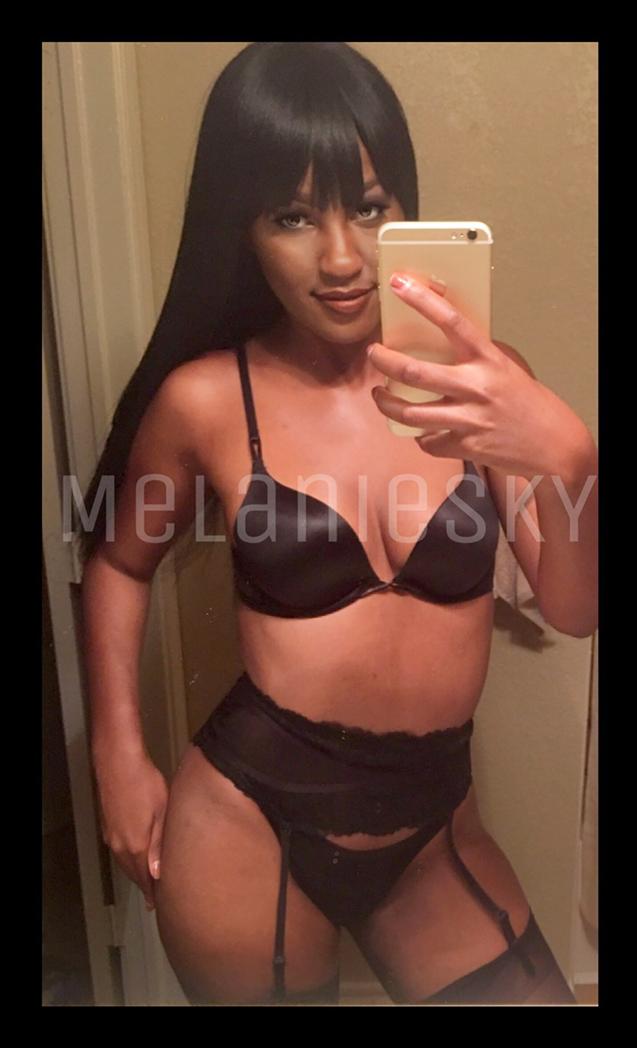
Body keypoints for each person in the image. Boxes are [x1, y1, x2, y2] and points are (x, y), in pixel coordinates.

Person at [79, 42, 597, 1006]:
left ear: (407, 206)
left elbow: (573, 609)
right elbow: (118, 561)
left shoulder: (478, 391)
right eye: (292, 216)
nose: (343, 258)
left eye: (367, 205)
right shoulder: (207, 400)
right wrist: (117, 754)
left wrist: (571, 456)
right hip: (247, 825)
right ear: (242, 229)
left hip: (436, 831)